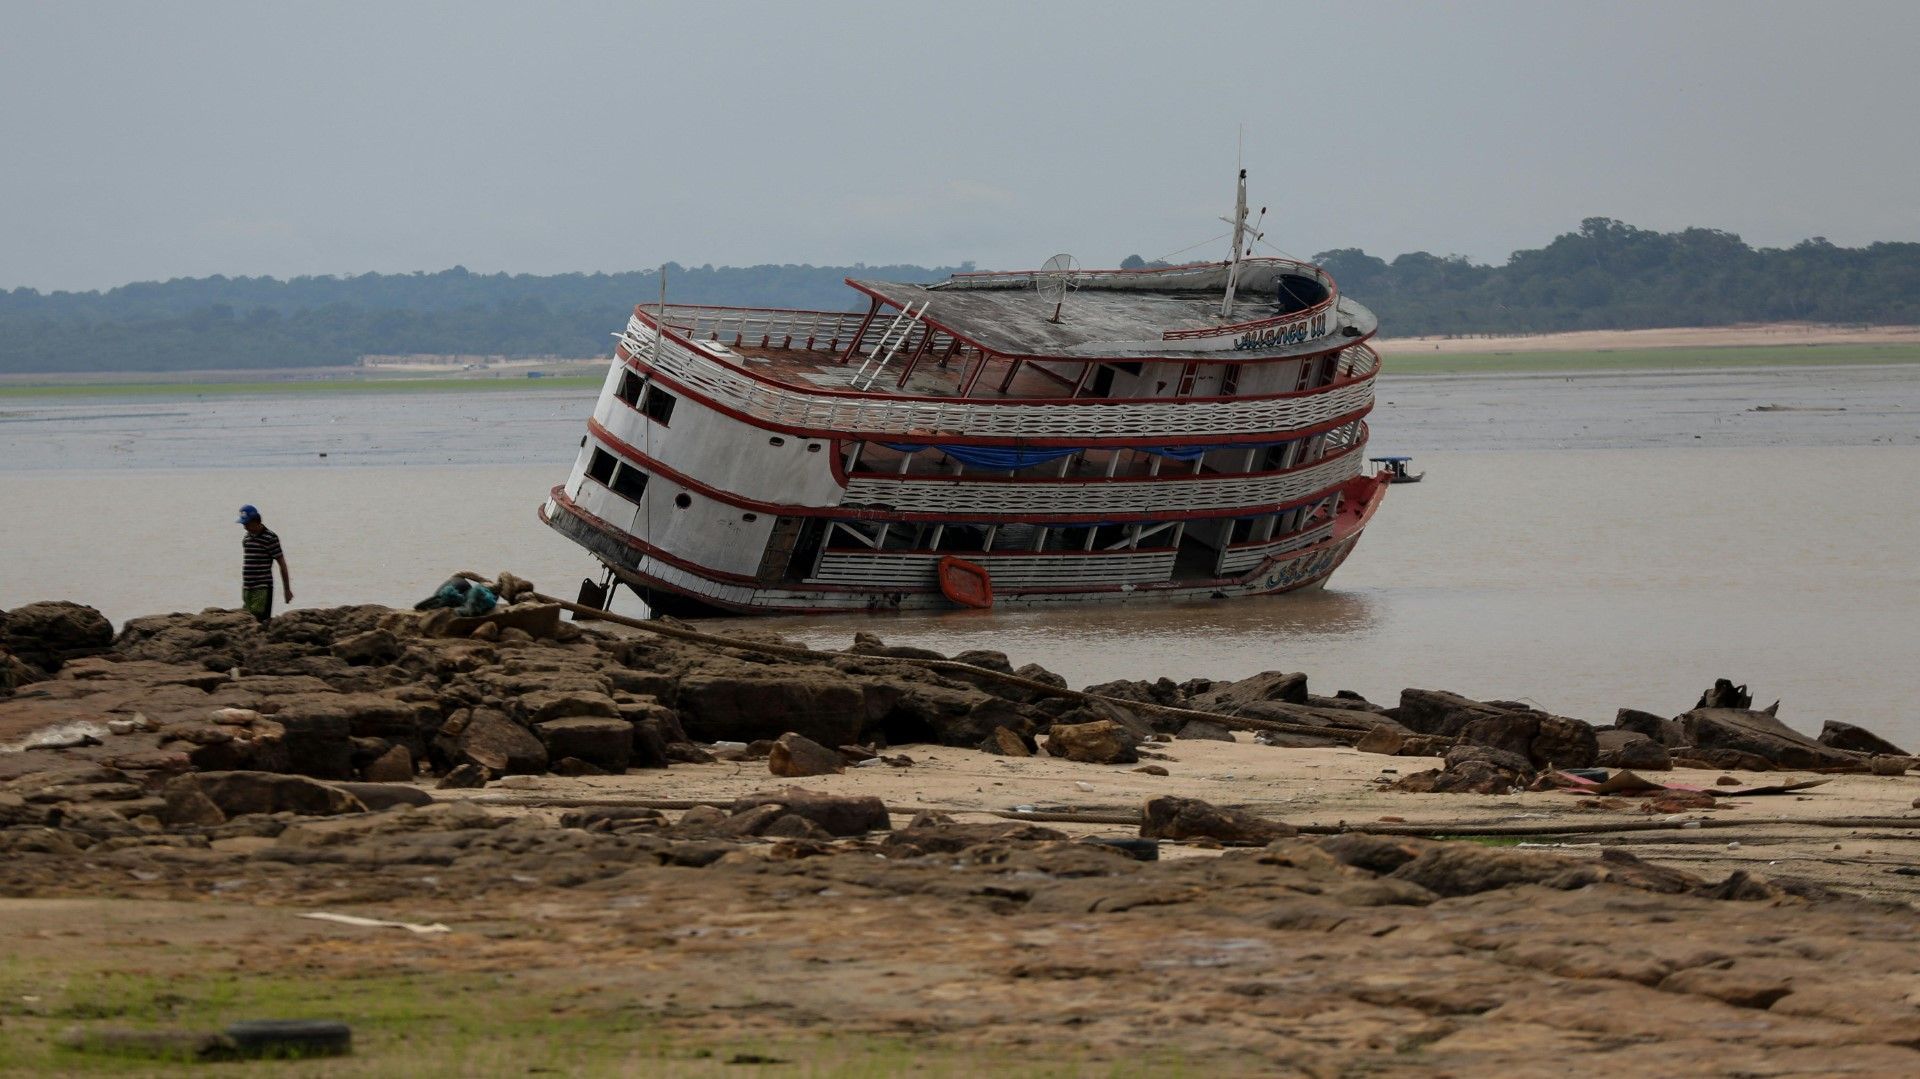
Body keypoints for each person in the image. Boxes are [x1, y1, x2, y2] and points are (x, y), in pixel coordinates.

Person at [237, 504, 293, 623]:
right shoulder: (246, 538)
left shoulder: (270, 538)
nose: (245, 527)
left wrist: (287, 589)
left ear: (256, 521)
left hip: (262, 588)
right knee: (246, 621)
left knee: (259, 622)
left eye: (246, 524)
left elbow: (282, 564)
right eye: (243, 524)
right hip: (247, 587)